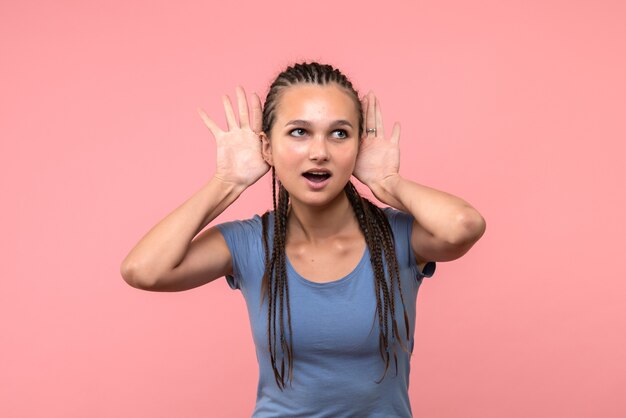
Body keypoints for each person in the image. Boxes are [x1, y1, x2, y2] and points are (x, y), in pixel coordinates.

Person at [120, 62, 486, 417]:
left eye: (340, 133)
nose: (320, 152)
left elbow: (463, 224)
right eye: (299, 132)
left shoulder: (397, 238)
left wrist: (388, 182)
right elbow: (144, 270)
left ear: (359, 148)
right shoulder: (251, 244)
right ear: (267, 148)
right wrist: (226, 183)